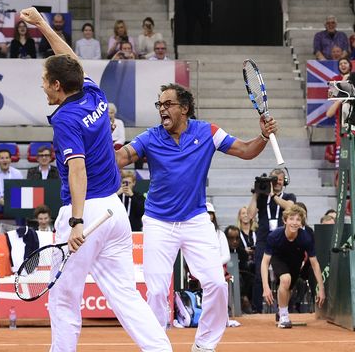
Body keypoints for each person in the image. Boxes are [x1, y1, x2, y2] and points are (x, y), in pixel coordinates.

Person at [20, 6, 172, 352]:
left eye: (45, 80)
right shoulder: (93, 93)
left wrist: (74, 222)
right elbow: (72, 60)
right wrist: (42, 25)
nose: (42, 85)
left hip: (85, 214)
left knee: (63, 297)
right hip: (115, 213)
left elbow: (77, 170)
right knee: (127, 296)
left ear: (57, 87)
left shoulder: (65, 119)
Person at [115, 82, 277, 352]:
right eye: (159, 105)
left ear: (185, 108)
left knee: (216, 284)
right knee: (155, 291)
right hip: (158, 222)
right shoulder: (150, 137)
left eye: (168, 104)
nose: (162, 110)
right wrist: (99, 141)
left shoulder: (208, 132)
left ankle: (204, 345)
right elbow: (120, 158)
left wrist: (262, 136)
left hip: (196, 220)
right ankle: (155, 346)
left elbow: (246, 151)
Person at [261, 205, 325, 328]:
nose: (294, 223)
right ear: (285, 220)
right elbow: (264, 262)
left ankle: (281, 312)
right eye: (291, 219)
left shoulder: (306, 237)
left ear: (301, 223)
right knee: (285, 279)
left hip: (295, 261)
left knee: (288, 289)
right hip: (278, 258)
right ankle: (284, 316)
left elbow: (315, 263)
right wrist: (265, 287)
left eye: (298, 220)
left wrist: (321, 289)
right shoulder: (274, 236)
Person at [247, 168, 296, 314]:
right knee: (258, 274)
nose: (277, 183)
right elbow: (250, 215)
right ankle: (257, 309)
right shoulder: (262, 198)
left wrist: (273, 195)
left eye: (280, 180)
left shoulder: (289, 196)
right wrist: (256, 194)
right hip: (264, 239)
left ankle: (287, 308)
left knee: (286, 275)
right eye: (274, 180)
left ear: (284, 182)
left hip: (282, 240)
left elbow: (290, 207)